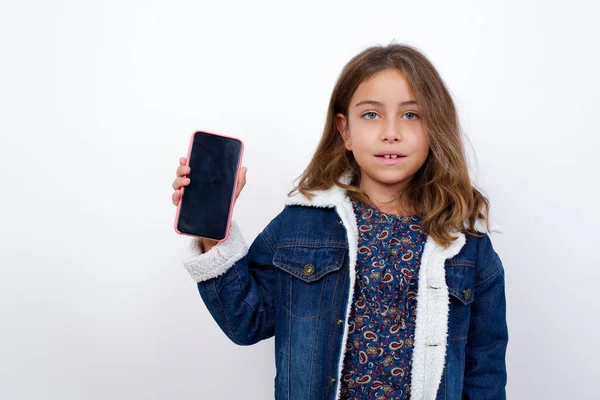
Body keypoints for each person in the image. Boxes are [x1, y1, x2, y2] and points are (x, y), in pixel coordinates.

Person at [171, 43, 508, 400]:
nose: (390, 132)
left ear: (434, 126)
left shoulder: (467, 244)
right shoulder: (302, 224)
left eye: (411, 115)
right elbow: (246, 321)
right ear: (344, 130)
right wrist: (212, 232)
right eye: (371, 115)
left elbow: (484, 369)